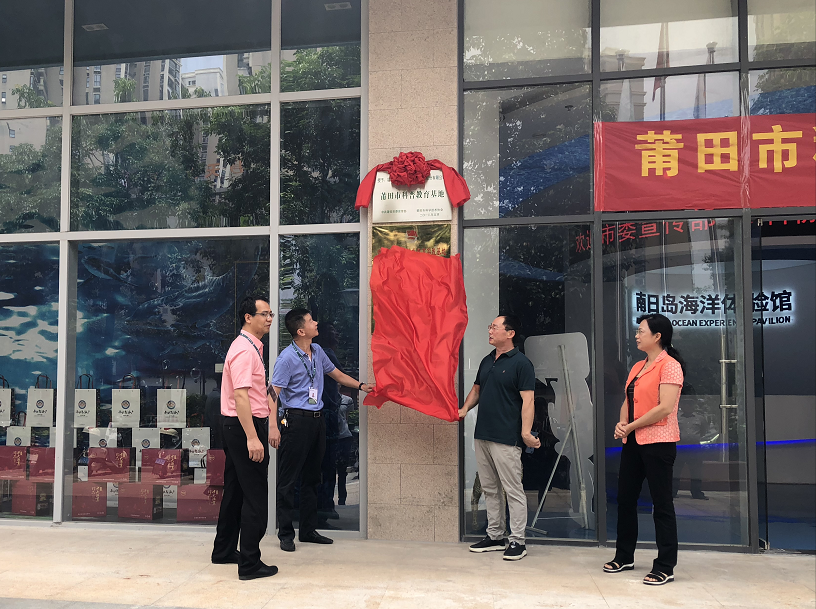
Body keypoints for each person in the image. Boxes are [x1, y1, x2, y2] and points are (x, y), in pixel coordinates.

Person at [269, 308, 373, 552]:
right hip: (295, 421)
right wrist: (273, 426)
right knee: (288, 480)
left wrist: (361, 386)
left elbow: (337, 375)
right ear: (300, 330)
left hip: (317, 421)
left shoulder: (317, 351)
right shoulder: (286, 358)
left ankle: (308, 530)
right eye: (310, 320)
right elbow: (272, 393)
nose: (316, 323)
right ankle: (286, 534)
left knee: (313, 478)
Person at [604, 313, 684, 586]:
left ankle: (665, 565)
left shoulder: (670, 365)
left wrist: (630, 426)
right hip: (633, 442)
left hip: (659, 443)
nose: (636, 336)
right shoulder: (638, 366)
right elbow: (628, 400)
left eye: (641, 331)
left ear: (657, 336)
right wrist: (621, 423)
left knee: (661, 504)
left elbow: (664, 408)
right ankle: (624, 555)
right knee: (625, 499)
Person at [459, 314, 539, 561]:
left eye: (495, 327)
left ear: (510, 333)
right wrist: (464, 410)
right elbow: (477, 390)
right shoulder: (487, 360)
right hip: (482, 434)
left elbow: (528, 400)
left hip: (506, 436)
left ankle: (517, 541)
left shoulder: (522, 364)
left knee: (512, 489)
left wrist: (525, 432)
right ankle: (495, 536)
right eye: (490, 327)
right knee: (490, 488)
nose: (490, 331)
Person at [211, 296, 279, 581]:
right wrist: (253, 437)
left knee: (236, 491)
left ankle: (224, 550)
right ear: (248, 317)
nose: (270, 319)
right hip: (244, 427)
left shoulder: (251, 348)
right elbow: (240, 396)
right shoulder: (244, 350)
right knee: (255, 496)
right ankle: (250, 563)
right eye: (264, 314)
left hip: (240, 426)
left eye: (271, 314)